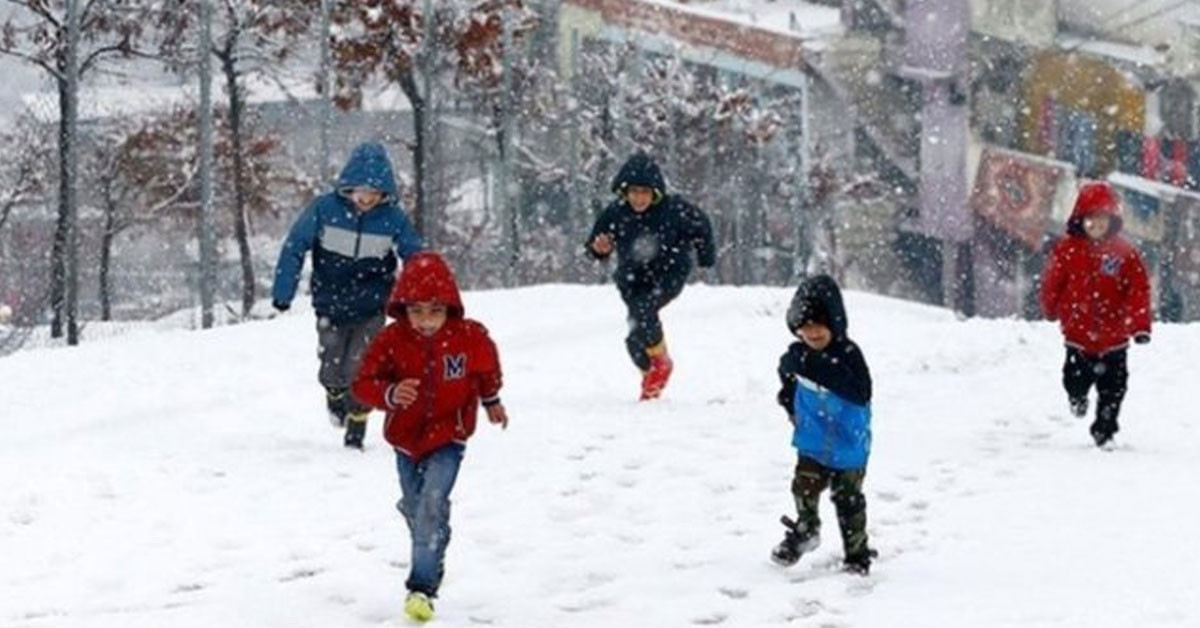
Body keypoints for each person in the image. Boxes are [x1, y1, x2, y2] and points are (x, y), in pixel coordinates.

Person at [351, 251, 508, 623]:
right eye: (416, 312)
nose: (425, 321)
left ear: (450, 308)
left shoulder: (469, 337)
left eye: (435, 311)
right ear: (402, 309)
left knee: (431, 502)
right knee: (415, 505)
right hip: (406, 439)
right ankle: (432, 532)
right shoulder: (391, 340)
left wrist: (492, 399)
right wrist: (389, 394)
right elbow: (363, 383)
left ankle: (421, 588)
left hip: (449, 435)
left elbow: (486, 367)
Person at [272, 142, 422, 449]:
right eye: (361, 192)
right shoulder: (324, 210)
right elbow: (295, 246)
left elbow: (416, 256)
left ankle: (358, 420)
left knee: (363, 365)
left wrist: (420, 296)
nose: (367, 199)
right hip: (330, 301)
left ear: (385, 193)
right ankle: (335, 393)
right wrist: (283, 291)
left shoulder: (393, 218)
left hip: (372, 305)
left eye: (375, 193)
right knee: (332, 362)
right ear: (348, 188)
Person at [585, 151, 716, 400]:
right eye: (634, 192)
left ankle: (661, 366)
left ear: (655, 193)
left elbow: (702, 225)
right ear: (624, 192)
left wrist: (705, 256)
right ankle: (652, 369)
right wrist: (598, 249)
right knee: (635, 339)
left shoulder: (674, 210)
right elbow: (594, 244)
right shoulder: (616, 213)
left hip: (668, 274)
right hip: (632, 279)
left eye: (645, 192)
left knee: (645, 311)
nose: (639, 198)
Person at [771, 274, 876, 575]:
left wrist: (815, 367)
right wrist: (789, 401)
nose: (812, 333)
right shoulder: (796, 355)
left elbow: (860, 391)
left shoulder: (848, 355)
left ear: (835, 323)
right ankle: (806, 531)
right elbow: (787, 376)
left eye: (819, 325)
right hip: (813, 438)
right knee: (803, 486)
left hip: (848, 441)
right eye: (804, 327)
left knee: (848, 500)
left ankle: (856, 554)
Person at [1039, 181, 1152, 448]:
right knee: (1074, 379)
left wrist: (1139, 325)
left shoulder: (1125, 254)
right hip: (1078, 335)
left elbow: (1138, 290)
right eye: (1090, 219)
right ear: (1081, 219)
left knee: (1113, 389)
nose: (1095, 225)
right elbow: (1053, 281)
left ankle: (1105, 430)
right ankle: (1077, 398)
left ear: (1111, 221)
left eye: (1101, 219)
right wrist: (1050, 307)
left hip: (1115, 337)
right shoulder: (1067, 250)